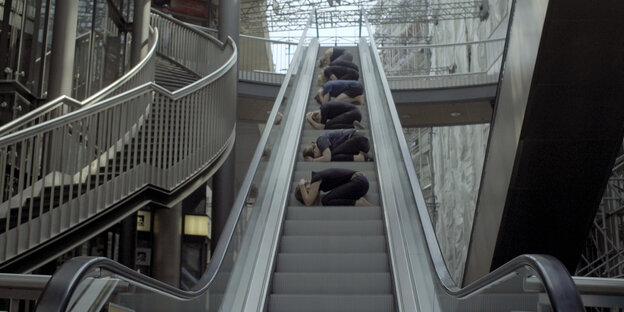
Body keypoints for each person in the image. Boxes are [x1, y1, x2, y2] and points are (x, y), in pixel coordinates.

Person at [295, 168, 372, 206]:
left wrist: (301, 185)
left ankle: (358, 203)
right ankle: (357, 202)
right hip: (359, 184)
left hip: (358, 182)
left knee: (326, 200)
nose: (309, 192)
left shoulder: (316, 179)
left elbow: (308, 202)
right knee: (326, 199)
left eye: (307, 192)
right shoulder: (318, 181)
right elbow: (315, 202)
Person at [302, 129, 371, 162]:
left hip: (358, 140)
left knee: (331, 156)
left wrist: (313, 161)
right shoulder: (326, 145)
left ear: (314, 150)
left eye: (314, 155)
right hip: (360, 146)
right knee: (334, 155)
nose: (317, 157)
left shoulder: (320, 140)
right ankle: (359, 157)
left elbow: (327, 158)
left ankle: (360, 158)